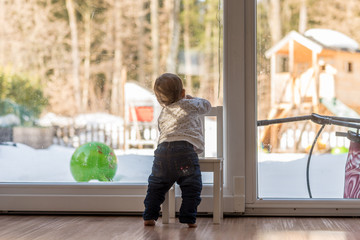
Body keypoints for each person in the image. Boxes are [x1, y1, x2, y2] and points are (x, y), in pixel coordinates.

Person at [143, 73, 211, 228]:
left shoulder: (164, 112)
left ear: (160, 100)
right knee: (191, 186)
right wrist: (191, 98)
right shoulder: (189, 104)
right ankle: (188, 217)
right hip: (184, 153)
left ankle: (149, 216)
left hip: (162, 153)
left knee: (156, 186)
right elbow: (206, 105)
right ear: (182, 93)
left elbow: (162, 130)